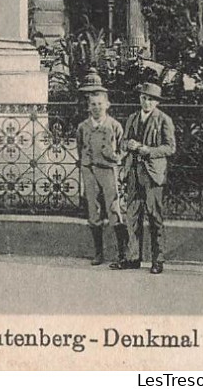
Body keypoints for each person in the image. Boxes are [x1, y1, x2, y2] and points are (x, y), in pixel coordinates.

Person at [111, 80, 176, 274]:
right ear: (140, 98)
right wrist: (127, 144)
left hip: (153, 174)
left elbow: (170, 147)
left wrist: (148, 150)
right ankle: (133, 258)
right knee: (132, 216)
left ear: (157, 102)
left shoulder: (164, 119)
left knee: (155, 217)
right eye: (144, 98)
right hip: (133, 172)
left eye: (151, 100)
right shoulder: (132, 118)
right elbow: (122, 142)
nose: (147, 102)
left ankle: (158, 260)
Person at [75, 69, 128, 267]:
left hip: (108, 170)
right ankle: (98, 253)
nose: (97, 108)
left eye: (100, 104)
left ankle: (122, 253)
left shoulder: (114, 126)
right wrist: (85, 164)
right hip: (89, 170)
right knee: (93, 210)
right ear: (89, 107)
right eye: (93, 105)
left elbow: (122, 148)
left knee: (114, 208)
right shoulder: (83, 127)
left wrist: (115, 159)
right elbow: (80, 147)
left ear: (107, 105)